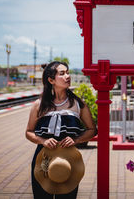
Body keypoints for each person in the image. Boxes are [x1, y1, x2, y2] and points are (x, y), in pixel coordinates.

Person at [26, 61, 97, 198]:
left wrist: (76, 139)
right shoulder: (39, 105)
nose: (68, 76)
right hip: (43, 159)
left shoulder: (77, 104)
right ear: (51, 80)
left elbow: (92, 130)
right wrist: (43, 141)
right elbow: (29, 132)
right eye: (62, 73)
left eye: (68, 72)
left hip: (68, 160)